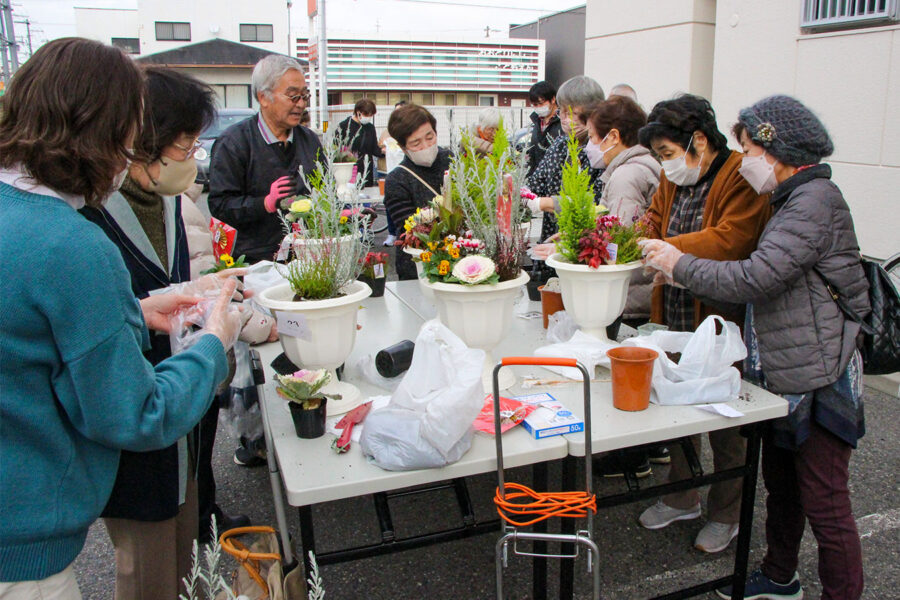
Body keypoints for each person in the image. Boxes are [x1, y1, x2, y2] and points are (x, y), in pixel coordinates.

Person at [0, 38, 241, 598]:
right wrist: (213, 341)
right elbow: (136, 414)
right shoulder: (70, 243)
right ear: (102, 132)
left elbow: (24, 335)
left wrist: (130, 311)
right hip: (24, 551)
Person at [641, 95, 868, 600]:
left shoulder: (813, 203)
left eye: (749, 149)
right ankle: (779, 577)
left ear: (776, 149)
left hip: (820, 376)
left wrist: (679, 265)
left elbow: (757, 276)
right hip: (788, 370)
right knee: (784, 490)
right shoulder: (791, 199)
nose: (746, 161)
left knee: (827, 504)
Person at [76, 66, 261, 599]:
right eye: (185, 146)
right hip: (136, 422)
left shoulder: (168, 203)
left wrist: (202, 289)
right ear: (142, 143)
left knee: (183, 550)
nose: (193, 159)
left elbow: (165, 285)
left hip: (184, 408)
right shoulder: (89, 218)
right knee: (147, 567)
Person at [634, 94, 772, 554]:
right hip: (673, 308)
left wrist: (667, 249)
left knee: (724, 418)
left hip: (720, 314)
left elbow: (733, 239)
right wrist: (638, 237)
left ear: (698, 141)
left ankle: (726, 512)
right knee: (675, 405)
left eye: (668, 154)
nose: (664, 165)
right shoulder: (674, 176)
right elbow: (653, 219)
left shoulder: (740, 176)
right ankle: (681, 495)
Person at [208, 54, 323, 263]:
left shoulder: (309, 141)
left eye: (304, 96)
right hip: (255, 263)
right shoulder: (234, 143)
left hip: (306, 258)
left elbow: (324, 191)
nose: (300, 104)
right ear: (263, 97)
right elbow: (220, 205)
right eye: (292, 96)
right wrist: (264, 204)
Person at [526, 75, 606, 242]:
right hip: (552, 233)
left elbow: (596, 204)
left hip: (586, 241)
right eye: (562, 111)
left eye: (573, 113)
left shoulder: (601, 151)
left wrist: (548, 203)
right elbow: (537, 183)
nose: (565, 118)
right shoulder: (560, 145)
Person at [383, 103, 452, 280]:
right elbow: (410, 228)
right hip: (418, 267)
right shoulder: (397, 179)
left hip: (459, 263)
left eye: (430, 137)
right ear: (403, 147)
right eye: (416, 143)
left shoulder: (452, 160)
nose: (426, 146)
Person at [336, 98, 384, 187]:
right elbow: (335, 148)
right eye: (366, 114)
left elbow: (374, 149)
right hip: (350, 171)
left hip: (366, 171)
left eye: (371, 115)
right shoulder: (344, 126)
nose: (368, 117)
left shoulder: (370, 128)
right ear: (358, 112)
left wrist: (386, 151)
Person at [526, 80, 562, 178]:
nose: (538, 108)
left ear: (553, 99)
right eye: (535, 105)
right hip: (537, 179)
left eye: (541, 103)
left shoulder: (563, 122)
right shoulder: (537, 122)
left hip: (556, 178)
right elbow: (533, 153)